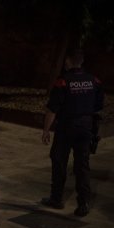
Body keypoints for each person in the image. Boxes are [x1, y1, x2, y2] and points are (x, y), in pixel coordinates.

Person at [41, 48, 104, 217]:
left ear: (68, 61)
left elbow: (52, 109)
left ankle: (56, 198)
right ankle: (84, 203)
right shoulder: (94, 80)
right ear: (81, 61)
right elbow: (99, 105)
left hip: (66, 127)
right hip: (86, 127)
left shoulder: (63, 82)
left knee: (59, 161)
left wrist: (46, 130)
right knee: (82, 165)